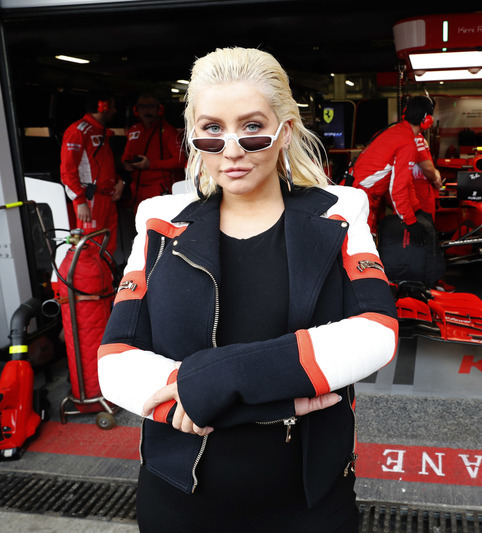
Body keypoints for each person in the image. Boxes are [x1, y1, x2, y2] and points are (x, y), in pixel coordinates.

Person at [97, 47, 398, 533]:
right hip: (178, 502)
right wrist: (274, 401)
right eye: (212, 130)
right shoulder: (159, 223)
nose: (232, 149)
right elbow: (115, 362)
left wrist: (215, 382)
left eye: (252, 127)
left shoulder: (339, 215)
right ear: (194, 136)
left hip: (310, 505)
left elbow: (376, 333)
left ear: (285, 131)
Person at [351, 95, 434, 241]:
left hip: (358, 194)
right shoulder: (407, 143)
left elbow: (405, 181)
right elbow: (398, 189)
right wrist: (411, 221)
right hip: (363, 199)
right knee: (364, 245)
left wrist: (416, 209)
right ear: (427, 121)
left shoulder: (393, 131)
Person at [60, 94, 125, 255]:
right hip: (90, 200)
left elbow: (104, 166)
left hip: (108, 197)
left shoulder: (100, 131)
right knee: (90, 247)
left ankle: (106, 273)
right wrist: (80, 202)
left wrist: (119, 182)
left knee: (108, 247)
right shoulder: (77, 131)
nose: (115, 111)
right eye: (112, 106)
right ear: (102, 106)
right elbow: (67, 171)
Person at [121, 93, 187, 212]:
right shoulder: (134, 130)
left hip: (160, 189)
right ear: (136, 110)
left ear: (159, 109)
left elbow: (180, 160)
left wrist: (151, 164)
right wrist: (126, 164)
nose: (147, 111)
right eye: (142, 107)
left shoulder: (168, 131)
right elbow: (126, 156)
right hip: (137, 189)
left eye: (151, 106)